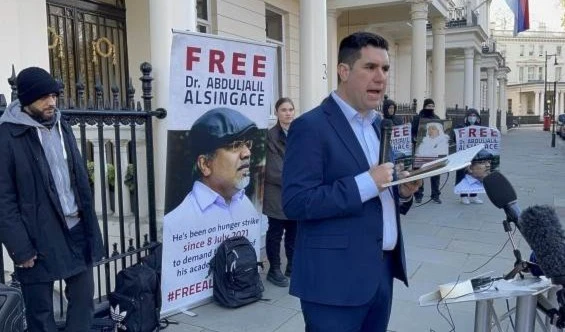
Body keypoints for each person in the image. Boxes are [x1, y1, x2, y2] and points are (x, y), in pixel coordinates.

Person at [282, 32, 421, 332]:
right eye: (370, 67)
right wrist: (366, 183)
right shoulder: (310, 126)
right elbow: (296, 202)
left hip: (381, 275)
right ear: (344, 72)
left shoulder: (379, 125)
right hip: (333, 284)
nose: (380, 77)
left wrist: (404, 193)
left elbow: (385, 191)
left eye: (385, 69)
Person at [0, 67, 104, 331]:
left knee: (83, 303)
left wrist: (90, 227)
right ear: (26, 100)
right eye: (43, 97)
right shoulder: (8, 136)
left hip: (75, 228)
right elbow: (4, 199)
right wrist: (19, 248)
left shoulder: (61, 124)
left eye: (54, 95)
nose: (51, 102)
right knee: (40, 315)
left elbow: (77, 179)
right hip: (35, 237)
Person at [165, 107, 259, 234]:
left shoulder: (245, 204)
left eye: (247, 144)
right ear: (205, 164)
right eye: (235, 145)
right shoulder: (176, 224)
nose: (247, 153)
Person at [263, 97, 297, 287]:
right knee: (275, 231)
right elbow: (273, 170)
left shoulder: (299, 133)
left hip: (294, 193)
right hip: (277, 193)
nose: (288, 113)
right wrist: (298, 180)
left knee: (294, 230)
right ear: (277, 113)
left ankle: (292, 265)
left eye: (291, 109)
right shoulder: (270, 136)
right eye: (284, 110)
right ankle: (274, 269)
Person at [411, 98, 443, 204]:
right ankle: (418, 195)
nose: (431, 108)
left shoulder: (437, 118)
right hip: (420, 150)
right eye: (429, 106)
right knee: (419, 172)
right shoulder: (417, 118)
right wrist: (415, 138)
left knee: (435, 173)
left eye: (432, 106)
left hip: (433, 150)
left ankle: (435, 195)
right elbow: (412, 132)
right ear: (424, 106)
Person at [454, 108, 484, 204]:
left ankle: (474, 195)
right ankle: (463, 196)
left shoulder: (480, 128)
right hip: (463, 155)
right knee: (462, 175)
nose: (472, 118)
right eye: (470, 116)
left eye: (474, 116)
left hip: (475, 155)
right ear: (467, 117)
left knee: (475, 174)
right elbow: (455, 138)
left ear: (477, 118)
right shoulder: (461, 126)